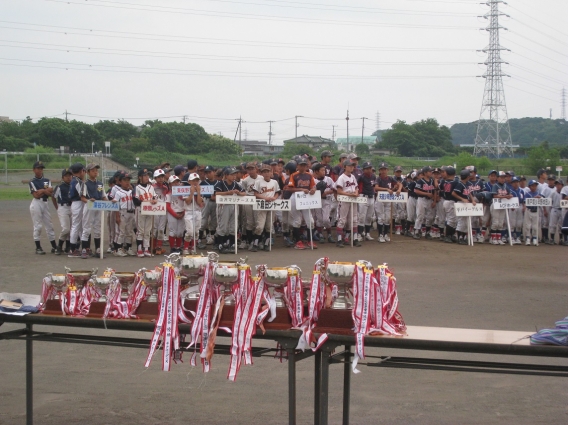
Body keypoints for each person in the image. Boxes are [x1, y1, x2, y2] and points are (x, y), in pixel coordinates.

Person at [286, 157, 317, 250]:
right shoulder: (294, 175)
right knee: (297, 220)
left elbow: (313, 186)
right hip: (296, 197)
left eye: (304, 165)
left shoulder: (309, 175)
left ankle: (309, 240)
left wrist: (313, 190)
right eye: (301, 165)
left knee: (310, 221)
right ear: (297, 166)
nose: (303, 167)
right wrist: (301, 189)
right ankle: (298, 241)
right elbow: (290, 189)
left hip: (306, 198)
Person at [79, 163, 108, 259]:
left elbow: (104, 196)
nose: (95, 172)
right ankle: (84, 249)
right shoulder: (85, 184)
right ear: (88, 172)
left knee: (98, 228)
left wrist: (110, 203)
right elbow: (82, 198)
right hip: (89, 206)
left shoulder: (100, 183)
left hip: (98, 206)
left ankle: (98, 249)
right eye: (93, 170)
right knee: (86, 227)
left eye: (96, 170)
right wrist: (88, 201)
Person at [213, 167, 245, 254]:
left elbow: (244, 193)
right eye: (231, 174)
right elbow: (216, 193)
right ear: (226, 175)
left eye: (235, 174)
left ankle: (232, 244)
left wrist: (239, 193)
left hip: (234, 205)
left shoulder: (236, 184)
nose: (234, 176)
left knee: (233, 225)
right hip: (224, 206)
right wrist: (227, 193)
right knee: (223, 225)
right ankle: (220, 244)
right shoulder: (221, 183)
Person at [250, 165, 281, 252]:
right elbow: (255, 194)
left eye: (268, 171)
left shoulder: (274, 182)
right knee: (260, 226)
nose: (266, 173)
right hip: (262, 205)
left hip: (271, 206)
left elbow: (277, 192)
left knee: (269, 226)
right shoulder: (258, 182)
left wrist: (275, 197)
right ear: (261, 173)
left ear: (271, 172)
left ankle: (266, 243)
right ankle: (255, 243)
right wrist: (264, 198)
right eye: (264, 172)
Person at [29, 160, 57, 254]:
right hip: (36, 203)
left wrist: (42, 191)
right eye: (38, 168)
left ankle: (54, 246)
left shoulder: (47, 180)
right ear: (34, 170)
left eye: (41, 168)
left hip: (45, 203)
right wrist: (45, 190)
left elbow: (50, 193)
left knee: (49, 225)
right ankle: (38, 247)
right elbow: (36, 195)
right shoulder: (32, 182)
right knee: (38, 225)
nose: (40, 170)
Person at [335, 159, 361, 248]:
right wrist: (349, 194)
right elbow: (339, 190)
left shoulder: (353, 177)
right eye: (349, 166)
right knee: (342, 219)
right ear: (344, 167)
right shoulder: (341, 177)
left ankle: (355, 239)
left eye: (352, 166)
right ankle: (339, 240)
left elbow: (356, 187)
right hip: (344, 200)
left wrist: (356, 193)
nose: (351, 167)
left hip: (353, 200)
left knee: (354, 219)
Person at [374, 162, 402, 243]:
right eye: (382, 169)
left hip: (388, 199)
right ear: (379, 171)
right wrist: (386, 189)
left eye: (385, 169)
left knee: (387, 218)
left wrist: (399, 189)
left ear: (388, 170)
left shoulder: (390, 178)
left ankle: (385, 234)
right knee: (381, 217)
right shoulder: (378, 178)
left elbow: (399, 184)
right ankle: (380, 235)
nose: (383, 171)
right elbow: (376, 188)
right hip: (380, 199)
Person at [133, 168, 157, 257]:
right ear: (140, 177)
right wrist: (146, 202)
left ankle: (146, 249)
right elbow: (135, 201)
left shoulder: (151, 187)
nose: (147, 177)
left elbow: (155, 197)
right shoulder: (137, 188)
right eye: (145, 175)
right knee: (140, 231)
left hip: (149, 210)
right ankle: (139, 249)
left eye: (148, 175)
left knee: (147, 231)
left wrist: (155, 200)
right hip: (140, 210)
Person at [112, 173, 136, 256]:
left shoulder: (132, 192)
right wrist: (117, 216)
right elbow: (116, 206)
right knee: (121, 232)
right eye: (125, 180)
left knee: (129, 232)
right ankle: (118, 249)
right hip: (122, 213)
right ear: (120, 182)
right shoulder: (118, 193)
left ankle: (128, 248)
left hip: (131, 213)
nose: (127, 182)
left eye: (128, 180)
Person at [52, 168, 73, 255]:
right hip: (62, 207)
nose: (68, 177)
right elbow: (53, 197)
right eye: (66, 176)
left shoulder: (73, 185)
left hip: (71, 207)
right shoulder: (60, 186)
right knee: (66, 229)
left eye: (70, 176)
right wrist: (57, 207)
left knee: (71, 229)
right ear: (63, 177)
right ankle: (59, 246)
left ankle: (67, 246)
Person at [312, 163, 335, 244]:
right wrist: (318, 192)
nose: (324, 172)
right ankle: (320, 235)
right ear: (316, 172)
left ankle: (329, 235)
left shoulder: (329, 179)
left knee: (326, 219)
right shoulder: (313, 180)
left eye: (324, 170)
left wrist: (326, 192)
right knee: (319, 220)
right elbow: (311, 191)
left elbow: (334, 189)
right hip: (317, 201)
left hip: (327, 201)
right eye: (321, 170)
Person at [452, 169, 476, 245]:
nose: (469, 177)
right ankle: (459, 237)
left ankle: (463, 237)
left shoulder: (467, 184)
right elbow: (454, 193)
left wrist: (473, 200)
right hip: (460, 203)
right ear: (467, 177)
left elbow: (470, 193)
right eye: (469, 176)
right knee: (461, 221)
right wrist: (462, 199)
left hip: (466, 203)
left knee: (466, 221)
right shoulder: (460, 184)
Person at [240, 162, 261, 249]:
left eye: (252, 169)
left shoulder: (261, 178)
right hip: (248, 199)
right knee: (249, 222)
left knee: (258, 222)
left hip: (258, 200)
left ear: (256, 169)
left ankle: (258, 241)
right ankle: (250, 241)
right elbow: (244, 191)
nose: (251, 171)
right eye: (249, 169)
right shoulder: (245, 180)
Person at [182, 173, 204, 254]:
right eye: (193, 180)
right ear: (189, 181)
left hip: (197, 211)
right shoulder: (186, 189)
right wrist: (191, 193)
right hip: (189, 211)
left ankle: (193, 248)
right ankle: (185, 248)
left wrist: (198, 192)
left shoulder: (200, 189)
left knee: (196, 231)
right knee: (190, 231)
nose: (195, 182)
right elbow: (187, 202)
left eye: (197, 180)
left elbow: (199, 202)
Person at [68, 163, 86, 257]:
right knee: (76, 226)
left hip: (75, 203)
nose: (84, 173)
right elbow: (82, 194)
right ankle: (72, 249)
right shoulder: (78, 181)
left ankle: (77, 248)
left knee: (78, 226)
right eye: (83, 171)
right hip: (78, 203)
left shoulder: (74, 180)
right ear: (80, 171)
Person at [413, 166, 436, 240]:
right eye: (429, 171)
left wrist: (434, 201)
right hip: (422, 199)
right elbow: (416, 191)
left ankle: (427, 232)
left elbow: (435, 191)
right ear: (425, 173)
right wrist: (426, 194)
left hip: (430, 200)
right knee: (420, 216)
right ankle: (416, 231)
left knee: (430, 217)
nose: (431, 173)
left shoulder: (432, 181)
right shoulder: (420, 181)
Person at [356, 161, 376, 242]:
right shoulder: (361, 177)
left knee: (369, 217)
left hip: (371, 197)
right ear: (363, 169)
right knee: (361, 216)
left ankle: (367, 233)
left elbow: (374, 186)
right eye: (367, 168)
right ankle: (359, 234)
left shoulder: (373, 176)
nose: (369, 170)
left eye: (370, 168)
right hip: (363, 196)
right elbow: (356, 186)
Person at [165, 175, 185, 253]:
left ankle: (178, 247)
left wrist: (183, 213)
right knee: (173, 232)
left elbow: (186, 204)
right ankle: (172, 247)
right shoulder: (169, 194)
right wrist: (174, 214)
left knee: (180, 232)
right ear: (170, 184)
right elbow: (167, 206)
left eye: (177, 181)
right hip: (172, 213)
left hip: (181, 213)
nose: (176, 183)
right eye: (173, 182)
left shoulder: (183, 193)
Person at [199, 165, 218, 245]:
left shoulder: (218, 183)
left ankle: (212, 237)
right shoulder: (203, 183)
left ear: (214, 172)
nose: (208, 174)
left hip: (216, 202)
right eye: (206, 173)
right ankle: (199, 238)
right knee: (203, 220)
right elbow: (200, 194)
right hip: (206, 201)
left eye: (209, 172)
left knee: (214, 221)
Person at [151, 169, 168, 255]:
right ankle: (153, 247)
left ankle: (159, 247)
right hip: (154, 209)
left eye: (162, 177)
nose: (161, 179)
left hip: (163, 209)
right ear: (155, 178)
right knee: (154, 228)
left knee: (161, 229)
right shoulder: (152, 187)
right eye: (159, 177)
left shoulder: (165, 187)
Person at [441, 166, 458, 243]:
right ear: (454, 174)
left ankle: (450, 235)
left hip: (446, 201)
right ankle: (447, 235)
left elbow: (440, 188)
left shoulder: (444, 181)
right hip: (450, 201)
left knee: (453, 219)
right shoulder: (455, 182)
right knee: (451, 220)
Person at [523, 180, 541, 246]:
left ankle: (535, 238)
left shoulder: (538, 193)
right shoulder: (527, 194)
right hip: (529, 210)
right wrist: (534, 198)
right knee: (528, 225)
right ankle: (528, 238)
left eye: (535, 186)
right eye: (532, 186)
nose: (534, 187)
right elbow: (525, 201)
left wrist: (540, 198)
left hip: (536, 211)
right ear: (529, 187)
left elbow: (543, 200)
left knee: (535, 226)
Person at [508, 177, 525, 244]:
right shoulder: (509, 190)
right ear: (512, 183)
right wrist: (510, 205)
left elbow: (523, 200)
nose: (516, 183)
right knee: (512, 222)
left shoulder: (521, 191)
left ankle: (517, 237)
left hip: (520, 205)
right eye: (514, 182)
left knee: (519, 223)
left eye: (517, 182)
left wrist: (524, 206)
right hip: (512, 207)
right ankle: (511, 237)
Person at [547, 180, 564, 245]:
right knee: (552, 225)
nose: (558, 186)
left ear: (562, 185)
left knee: (561, 225)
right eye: (557, 184)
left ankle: (561, 239)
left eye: (559, 184)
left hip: (562, 209)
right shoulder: (553, 193)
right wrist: (549, 209)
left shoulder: (564, 194)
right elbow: (549, 201)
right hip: (554, 209)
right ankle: (551, 239)